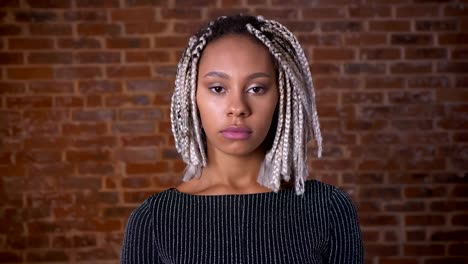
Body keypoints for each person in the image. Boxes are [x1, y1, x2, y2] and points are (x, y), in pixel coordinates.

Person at [121, 14, 364, 263]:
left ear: (281, 98)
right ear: (191, 97)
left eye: (256, 88)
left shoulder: (328, 208)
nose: (237, 107)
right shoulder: (155, 220)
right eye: (217, 88)